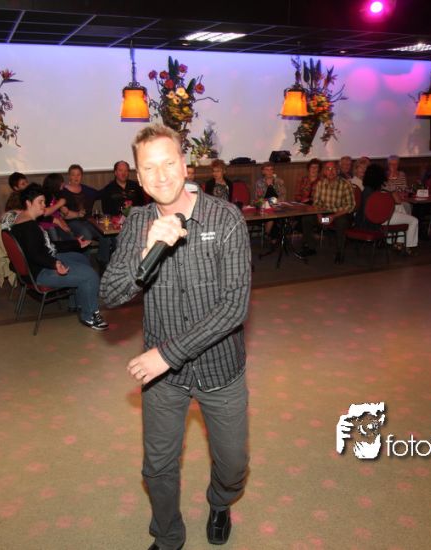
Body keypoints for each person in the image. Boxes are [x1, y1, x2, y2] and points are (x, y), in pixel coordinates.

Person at [101, 124, 251, 550]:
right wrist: (146, 250)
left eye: (169, 163)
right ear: (139, 177)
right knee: (157, 468)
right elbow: (109, 295)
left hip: (220, 368)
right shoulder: (137, 223)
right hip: (164, 382)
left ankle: (220, 502)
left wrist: (166, 355)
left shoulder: (225, 218)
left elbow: (233, 307)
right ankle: (168, 537)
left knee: (233, 465)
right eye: (149, 168)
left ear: (186, 166)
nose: (161, 175)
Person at [9, 184, 108, 330]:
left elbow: (47, 246)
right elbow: (35, 254)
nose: (44, 205)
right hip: (40, 272)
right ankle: (90, 316)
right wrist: (55, 264)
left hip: (40, 264)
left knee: (80, 258)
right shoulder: (28, 226)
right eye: (40, 202)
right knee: (90, 275)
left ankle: (77, 303)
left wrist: (76, 243)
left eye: (44, 202)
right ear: (28, 203)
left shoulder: (24, 220)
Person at [300, 161, 356, 263]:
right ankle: (311, 247)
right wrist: (319, 216)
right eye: (328, 169)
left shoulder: (345, 184)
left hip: (340, 214)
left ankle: (340, 252)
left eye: (333, 169)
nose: (331, 171)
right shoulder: (321, 184)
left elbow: (350, 206)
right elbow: (316, 203)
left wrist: (333, 216)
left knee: (341, 223)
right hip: (325, 213)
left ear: (337, 170)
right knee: (307, 218)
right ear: (324, 172)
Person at [60, 164, 113, 266]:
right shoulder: (63, 191)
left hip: (87, 221)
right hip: (71, 222)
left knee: (105, 234)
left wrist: (110, 186)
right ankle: (85, 264)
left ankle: (102, 260)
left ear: (82, 176)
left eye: (78, 175)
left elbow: (99, 194)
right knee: (86, 234)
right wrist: (77, 214)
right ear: (69, 176)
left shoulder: (86, 189)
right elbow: (63, 213)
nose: (76, 177)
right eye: (73, 175)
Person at [359, 163, 419, 254]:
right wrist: (392, 189)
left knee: (400, 208)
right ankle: (407, 246)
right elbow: (398, 201)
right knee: (414, 220)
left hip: (367, 220)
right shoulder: (383, 188)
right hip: (379, 220)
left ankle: (397, 243)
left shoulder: (367, 189)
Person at [253, 162, 286, 243]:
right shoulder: (259, 182)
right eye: (267, 170)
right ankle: (271, 236)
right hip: (264, 207)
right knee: (272, 215)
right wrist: (267, 203)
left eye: (271, 169)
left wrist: (276, 202)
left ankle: (268, 234)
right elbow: (257, 199)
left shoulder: (279, 181)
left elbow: (283, 196)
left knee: (276, 214)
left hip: (277, 206)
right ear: (263, 171)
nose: (269, 172)